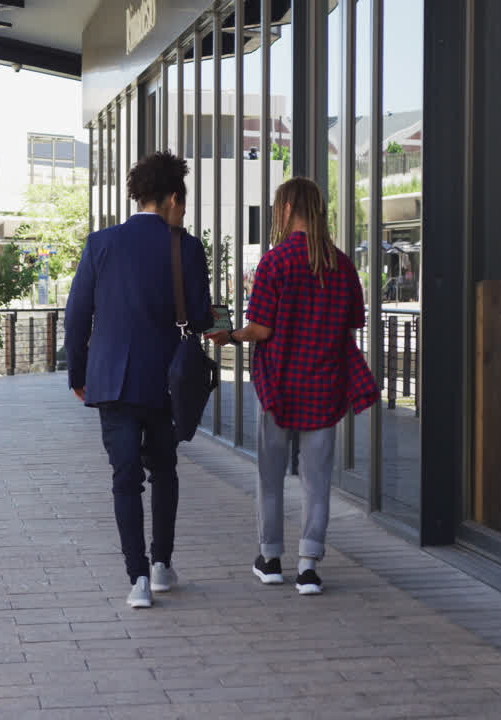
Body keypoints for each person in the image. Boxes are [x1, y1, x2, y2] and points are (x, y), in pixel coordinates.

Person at [208, 177, 375, 596]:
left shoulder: (275, 263)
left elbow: (262, 329)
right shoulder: (342, 264)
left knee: (270, 477)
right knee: (316, 481)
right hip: (326, 388)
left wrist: (229, 335)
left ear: (285, 211)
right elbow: (354, 324)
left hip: (279, 387)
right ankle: (309, 566)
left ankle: (270, 559)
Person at [64, 150, 212, 609]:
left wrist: (78, 372)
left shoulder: (100, 244)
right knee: (164, 471)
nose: (182, 211)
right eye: (182, 202)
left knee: (125, 477)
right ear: (171, 198)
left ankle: (138, 579)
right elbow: (203, 317)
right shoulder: (185, 247)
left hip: (111, 381)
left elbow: (76, 315)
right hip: (165, 381)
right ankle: (163, 563)